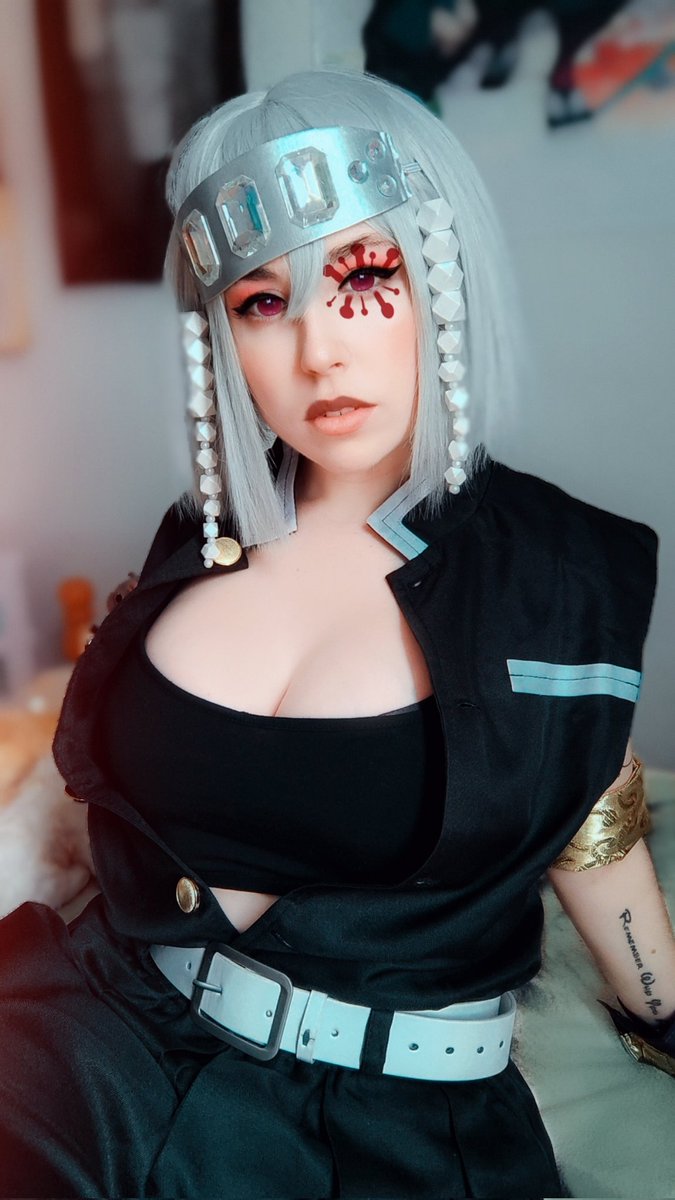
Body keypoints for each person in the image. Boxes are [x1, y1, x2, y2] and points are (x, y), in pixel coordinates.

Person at [0, 67, 673, 1200]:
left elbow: (590, 823)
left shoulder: (559, 575)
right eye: (263, 302)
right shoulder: (197, 537)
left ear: (443, 278)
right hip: (97, 1045)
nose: (318, 352)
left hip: (382, 1129)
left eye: (363, 277)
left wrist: (661, 1006)